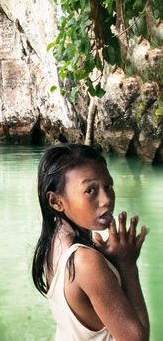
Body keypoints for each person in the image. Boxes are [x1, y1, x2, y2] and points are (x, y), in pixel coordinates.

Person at [32, 144, 149, 341]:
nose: (106, 200)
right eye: (90, 190)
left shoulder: (52, 244)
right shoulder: (86, 261)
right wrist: (127, 266)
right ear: (56, 202)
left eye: (108, 186)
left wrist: (110, 264)